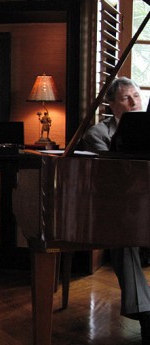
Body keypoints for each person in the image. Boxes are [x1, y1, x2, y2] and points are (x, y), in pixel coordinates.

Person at [81, 76, 150, 343]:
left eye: (136, 96)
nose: (134, 102)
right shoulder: (96, 134)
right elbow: (109, 178)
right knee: (124, 236)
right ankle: (144, 313)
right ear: (111, 104)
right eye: (125, 98)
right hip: (119, 207)